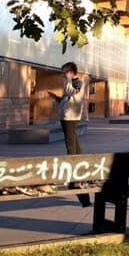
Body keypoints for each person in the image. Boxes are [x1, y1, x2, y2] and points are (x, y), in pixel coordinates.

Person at [48, 61, 91, 207]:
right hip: (67, 115)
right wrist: (56, 98)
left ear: (71, 72)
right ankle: (79, 167)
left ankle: (75, 172)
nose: (63, 75)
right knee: (75, 143)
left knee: (70, 144)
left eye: (64, 73)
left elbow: (70, 92)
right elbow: (67, 98)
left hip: (70, 117)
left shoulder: (77, 82)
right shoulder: (72, 83)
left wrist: (67, 80)